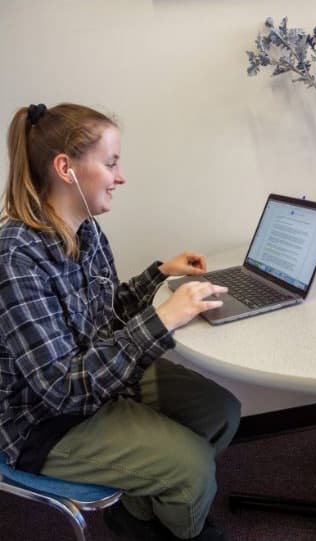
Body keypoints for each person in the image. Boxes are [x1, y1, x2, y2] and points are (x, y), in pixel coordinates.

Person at [0, 103, 241, 541]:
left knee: (222, 413)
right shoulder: (16, 257)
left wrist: (159, 276)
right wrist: (162, 319)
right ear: (65, 168)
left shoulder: (85, 229)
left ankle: (136, 514)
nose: (121, 176)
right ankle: (175, 527)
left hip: (97, 382)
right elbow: (62, 388)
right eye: (111, 163)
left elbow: (106, 311)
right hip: (44, 421)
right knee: (193, 471)